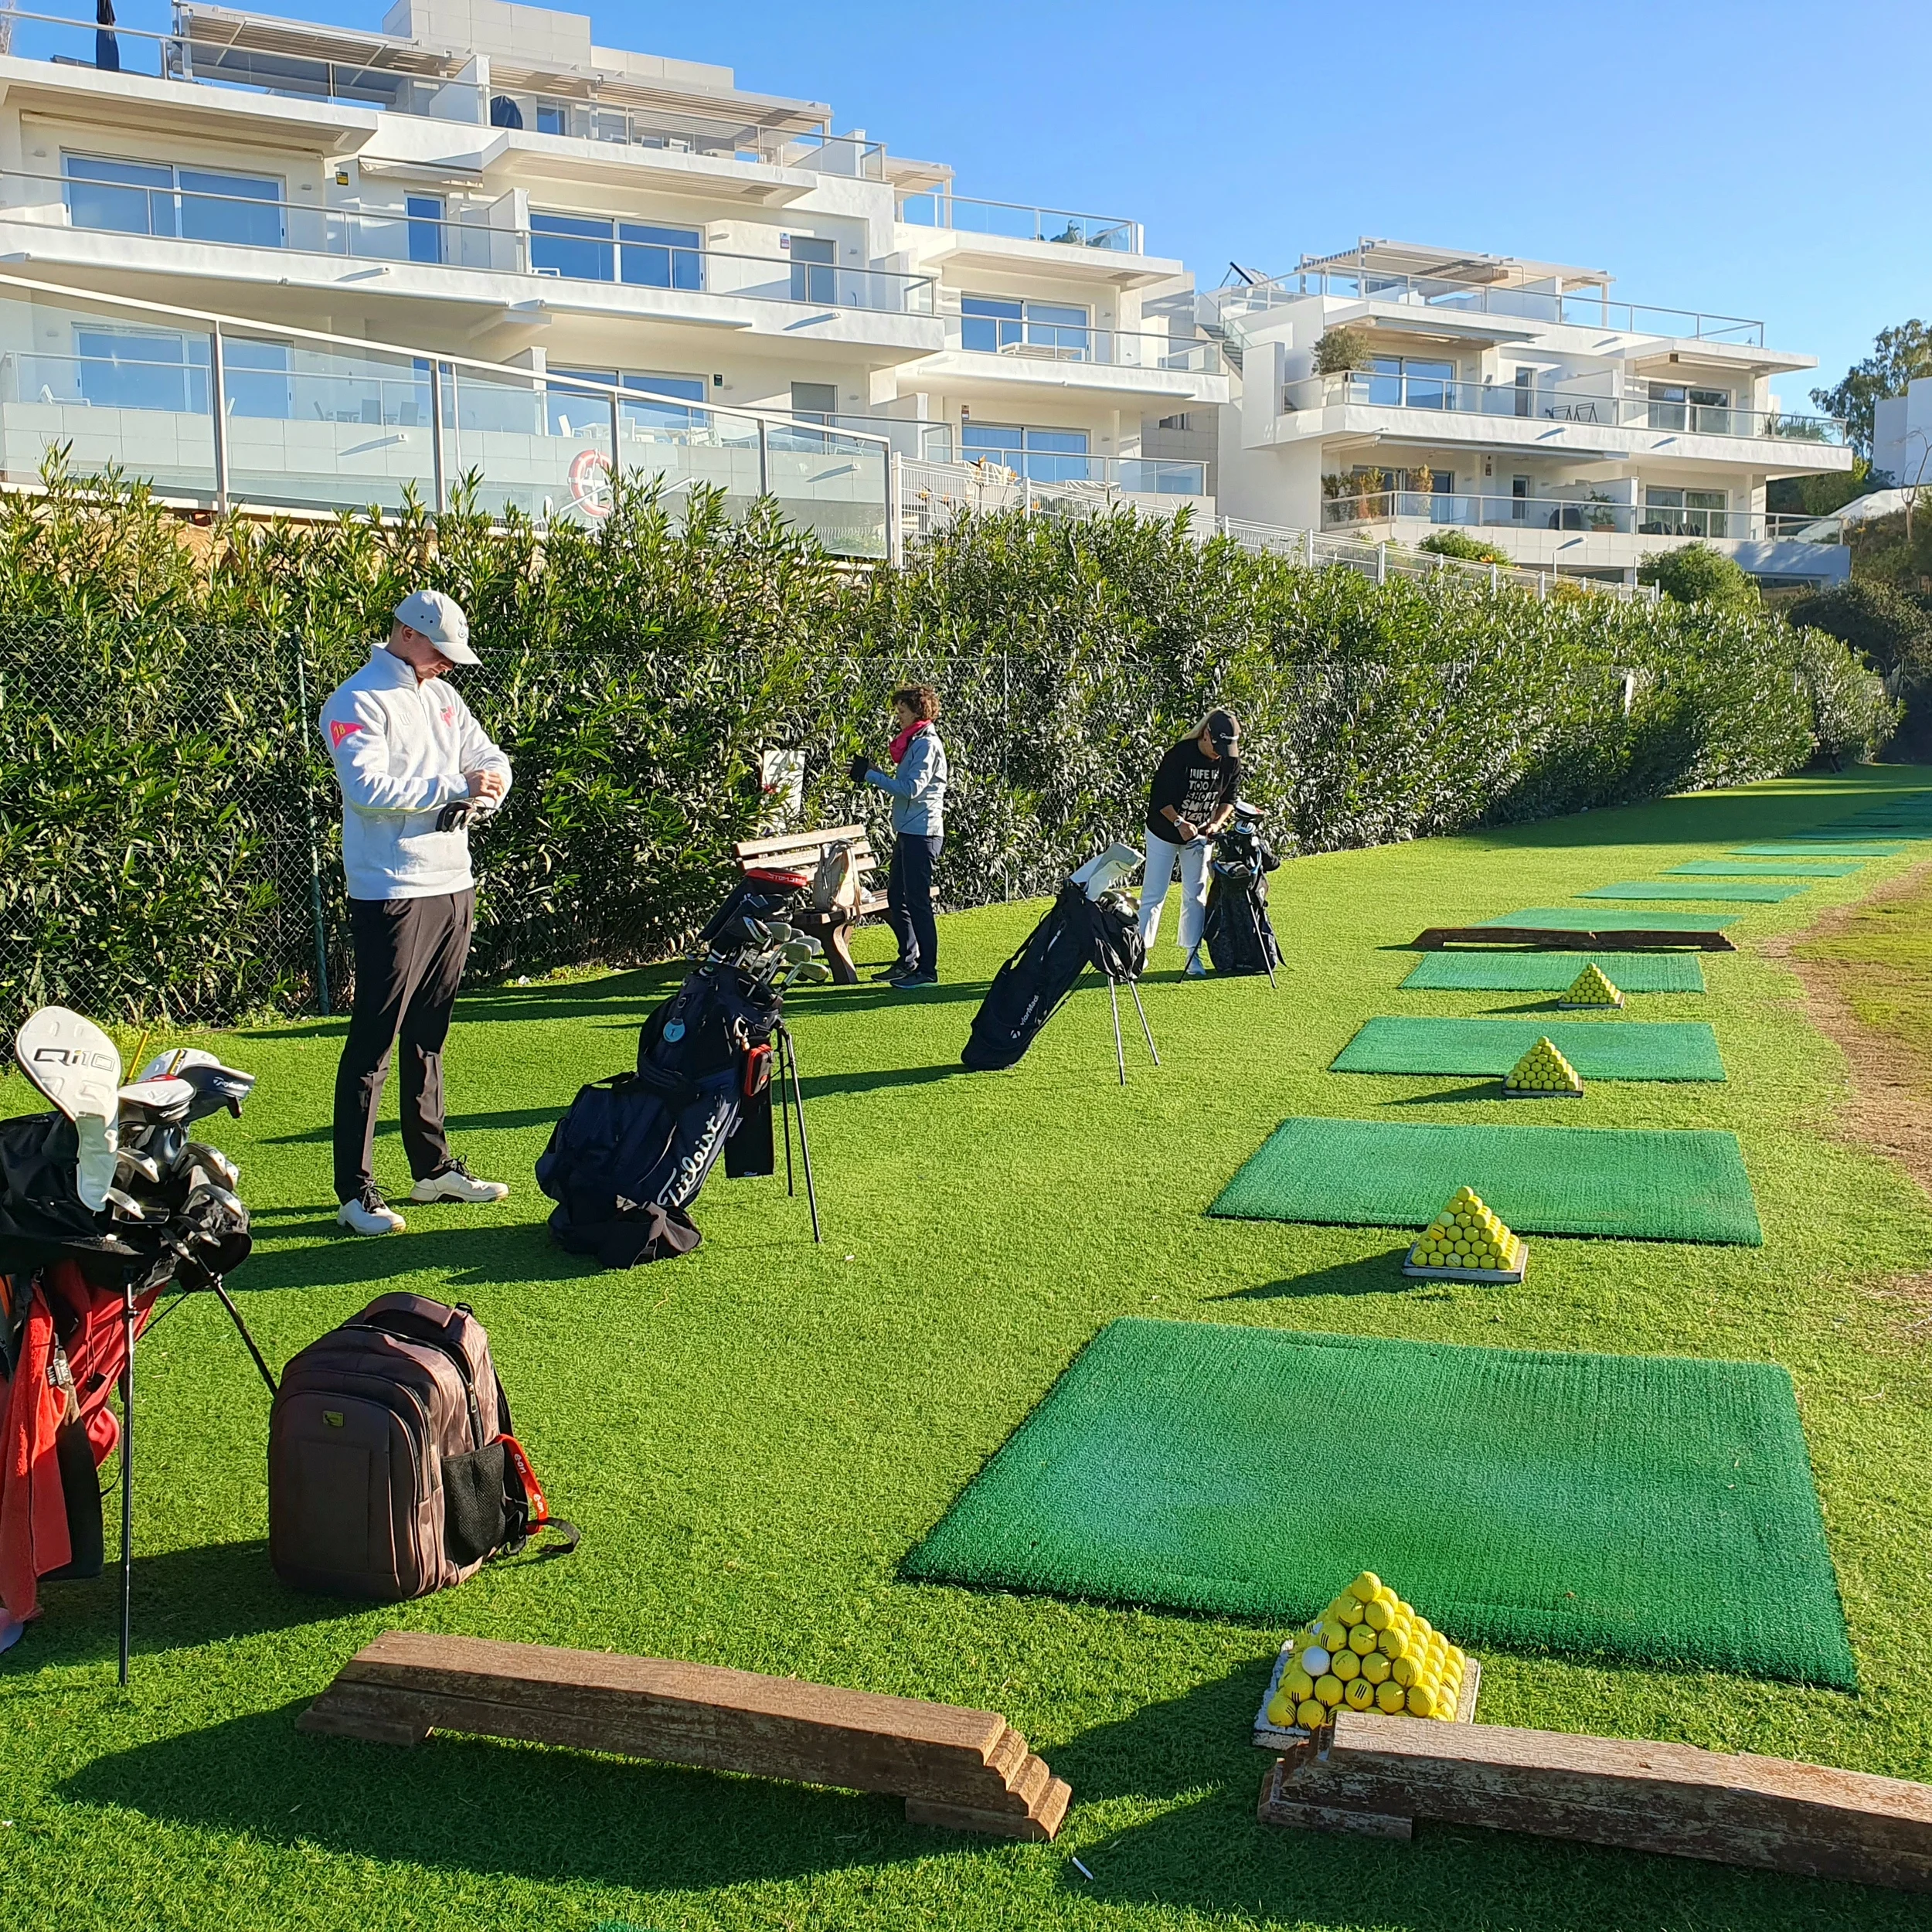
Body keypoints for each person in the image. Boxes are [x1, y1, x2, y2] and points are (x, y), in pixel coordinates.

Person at [319, 590, 515, 1236]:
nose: (449, 665)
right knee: (374, 1041)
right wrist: (456, 786)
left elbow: (488, 759)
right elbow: (365, 788)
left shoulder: (443, 696)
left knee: (429, 1034)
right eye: (440, 651)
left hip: (452, 880)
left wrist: (485, 788)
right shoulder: (355, 700)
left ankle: (431, 1170)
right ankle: (355, 1191)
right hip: (391, 889)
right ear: (406, 633)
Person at [849, 684, 947, 987]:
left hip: (923, 834)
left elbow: (911, 790)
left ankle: (927, 970)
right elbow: (906, 784)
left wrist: (871, 776)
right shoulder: (915, 742)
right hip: (909, 831)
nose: (899, 718)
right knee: (896, 897)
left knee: (917, 901)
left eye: (902, 712)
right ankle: (908, 960)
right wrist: (875, 770)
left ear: (918, 711)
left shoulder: (927, 745)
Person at [1138, 708, 1243, 978]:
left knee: (1195, 895)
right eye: (1217, 746)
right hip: (1164, 831)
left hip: (1200, 837)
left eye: (1226, 747)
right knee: (1154, 893)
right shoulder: (1179, 755)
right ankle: (1139, 954)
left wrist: (1216, 824)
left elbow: (1229, 799)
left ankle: (1191, 955)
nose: (1220, 753)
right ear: (1206, 734)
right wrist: (1179, 824)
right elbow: (1161, 799)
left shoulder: (1230, 759)